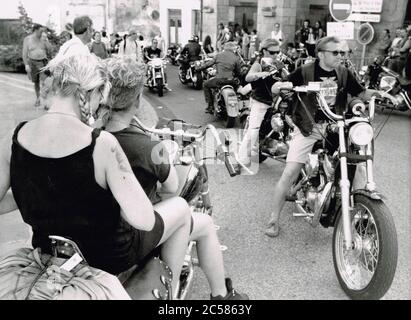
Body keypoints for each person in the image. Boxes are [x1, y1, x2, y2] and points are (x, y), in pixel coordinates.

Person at [0, 54, 193, 298]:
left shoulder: (15, 136)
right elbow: (144, 220)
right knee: (180, 207)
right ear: (92, 93)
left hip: (46, 252)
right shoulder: (101, 144)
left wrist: (37, 192)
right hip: (106, 256)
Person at [99, 55, 249, 300]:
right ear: (137, 101)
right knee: (199, 221)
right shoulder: (149, 148)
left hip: (100, 235)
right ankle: (217, 297)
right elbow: (171, 187)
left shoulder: (92, 138)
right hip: (134, 235)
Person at [266, 36, 381, 237]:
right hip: (309, 127)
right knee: (291, 171)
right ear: (321, 54)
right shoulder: (305, 71)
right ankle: (273, 218)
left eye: (342, 53)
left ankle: (363, 215)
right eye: (335, 52)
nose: (340, 56)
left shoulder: (344, 73)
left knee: (358, 167)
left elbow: (360, 92)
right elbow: (279, 85)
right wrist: (280, 87)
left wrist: (379, 95)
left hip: (336, 125)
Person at [237, 39, 284, 169]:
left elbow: (288, 77)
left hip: (277, 101)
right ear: (264, 51)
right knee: (253, 130)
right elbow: (248, 77)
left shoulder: (279, 64)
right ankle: (241, 159)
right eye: (272, 52)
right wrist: (260, 73)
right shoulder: (259, 64)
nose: (275, 55)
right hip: (261, 100)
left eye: (277, 52)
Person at [198, 41, 243, 114]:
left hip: (219, 80)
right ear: (233, 49)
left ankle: (210, 107)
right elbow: (238, 72)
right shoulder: (236, 58)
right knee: (238, 89)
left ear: (224, 48)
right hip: (230, 81)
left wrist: (199, 68)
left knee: (206, 85)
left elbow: (208, 64)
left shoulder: (218, 55)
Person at [22, 23, 52, 107]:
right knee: (36, 83)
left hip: (43, 62)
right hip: (32, 63)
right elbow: (24, 54)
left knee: (45, 83)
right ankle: (38, 99)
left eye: (43, 31)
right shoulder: (27, 39)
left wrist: (46, 40)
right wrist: (26, 65)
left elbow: (50, 50)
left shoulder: (43, 39)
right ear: (35, 30)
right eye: (40, 31)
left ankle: (45, 102)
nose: (42, 32)